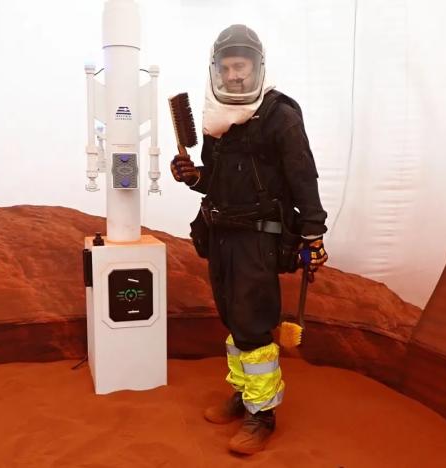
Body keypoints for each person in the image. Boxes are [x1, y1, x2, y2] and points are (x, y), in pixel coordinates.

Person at [170, 24, 329, 454]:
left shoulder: (281, 116)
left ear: (257, 67)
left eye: (241, 65)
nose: (234, 75)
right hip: (220, 236)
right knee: (231, 317)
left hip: (259, 239)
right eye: (226, 67)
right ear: (215, 71)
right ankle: (245, 396)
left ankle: (263, 415)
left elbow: (303, 177)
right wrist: (195, 177)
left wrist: (313, 235)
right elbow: (219, 182)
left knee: (253, 323)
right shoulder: (214, 119)